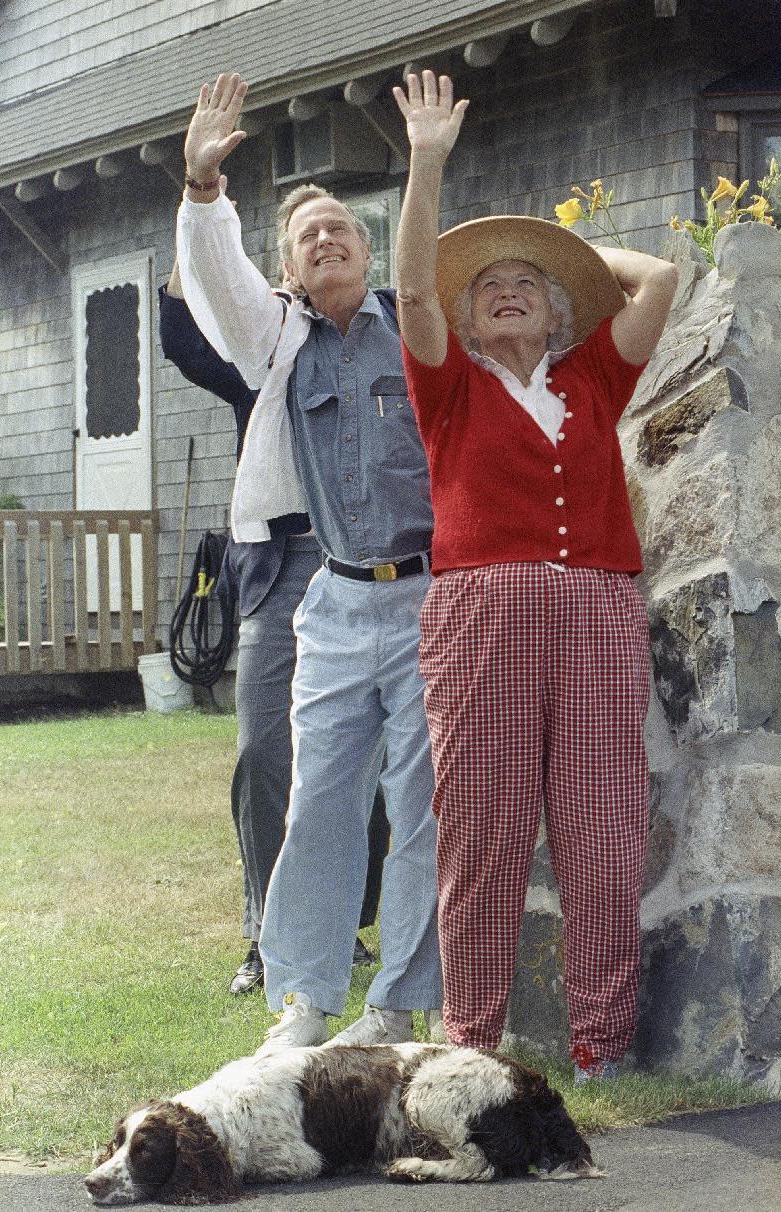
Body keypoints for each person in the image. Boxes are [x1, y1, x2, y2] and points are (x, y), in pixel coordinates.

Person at [392, 71, 678, 1081]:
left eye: (528, 283)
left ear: (557, 312)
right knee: (485, 824)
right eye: (491, 285)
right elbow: (417, 285)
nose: (506, 289)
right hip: (483, 615)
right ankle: (471, 1039)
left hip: (599, 609)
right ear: (468, 321)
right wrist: (429, 162)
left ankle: (598, 1046)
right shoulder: (451, 386)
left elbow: (662, 280)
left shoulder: (596, 375)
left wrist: (566, 255)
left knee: (604, 826)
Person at [175, 73, 442, 1049]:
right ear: (285, 270)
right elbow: (215, 281)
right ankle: (306, 1000)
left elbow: (428, 280)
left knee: (418, 810)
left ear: (368, 252)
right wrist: (205, 189)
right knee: (320, 800)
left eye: (342, 229)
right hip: (328, 599)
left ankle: (396, 1008)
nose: (326, 238)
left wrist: (424, 162)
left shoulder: (415, 336)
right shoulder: (275, 337)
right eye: (306, 236)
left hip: (427, 601)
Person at [158, 257, 390, 994]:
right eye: (302, 250)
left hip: (372, 560)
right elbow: (183, 343)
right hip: (282, 561)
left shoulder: (381, 342)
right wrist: (192, 232)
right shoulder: (259, 353)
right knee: (264, 748)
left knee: (373, 759)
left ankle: (345, 923)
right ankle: (266, 933)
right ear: (284, 272)